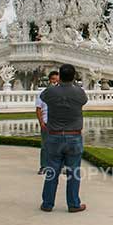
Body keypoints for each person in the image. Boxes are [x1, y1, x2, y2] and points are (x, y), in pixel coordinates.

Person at [40, 64, 88, 213]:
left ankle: (48, 203)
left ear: (59, 76)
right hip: (73, 135)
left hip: (54, 135)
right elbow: (84, 101)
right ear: (73, 76)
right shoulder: (79, 92)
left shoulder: (51, 91)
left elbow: (43, 97)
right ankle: (73, 203)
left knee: (52, 170)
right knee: (74, 171)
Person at [36, 70, 60, 175]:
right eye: (54, 80)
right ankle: (44, 166)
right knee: (45, 146)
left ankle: (59, 166)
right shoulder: (43, 93)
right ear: (50, 80)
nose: (55, 82)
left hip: (58, 123)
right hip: (46, 122)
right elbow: (38, 109)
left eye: (57, 80)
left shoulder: (61, 94)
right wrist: (41, 122)